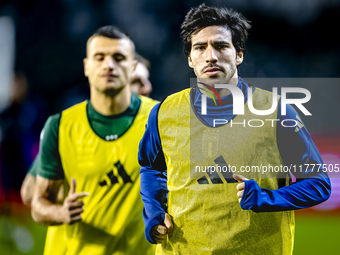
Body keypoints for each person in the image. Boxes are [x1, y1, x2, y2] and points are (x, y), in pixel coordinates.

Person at [138, 4, 331, 255]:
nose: (210, 56)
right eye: (200, 47)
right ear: (189, 58)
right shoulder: (163, 112)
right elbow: (151, 168)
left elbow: (318, 184)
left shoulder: (276, 112)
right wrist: (153, 214)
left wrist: (265, 198)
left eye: (220, 46)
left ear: (239, 54)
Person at [30, 25, 158, 255]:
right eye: (100, 57)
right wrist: (60, 212)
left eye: (118, 58)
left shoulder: (160, 120)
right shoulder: (60, 126)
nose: (109, 65)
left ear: (132, 67)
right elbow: (36, 201)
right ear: (87, 66)